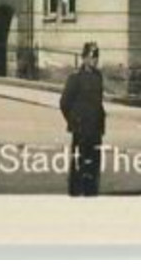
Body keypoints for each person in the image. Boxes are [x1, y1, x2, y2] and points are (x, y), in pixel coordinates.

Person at [59, 41, 106, 197]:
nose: (95, 60)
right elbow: (64, 103)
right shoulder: (75, 78)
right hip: (80, 128)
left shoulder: (98, 76)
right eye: (92, 57)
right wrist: (73, 121)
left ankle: (91, 192)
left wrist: (101, 122)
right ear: (84, 58)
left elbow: (98, 102)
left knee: (94, 164)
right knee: (79, 163)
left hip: (95, 129)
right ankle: (75, 192)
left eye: (96, 57)